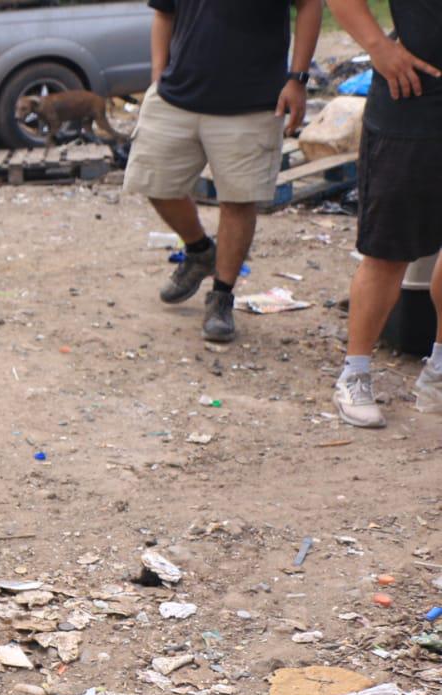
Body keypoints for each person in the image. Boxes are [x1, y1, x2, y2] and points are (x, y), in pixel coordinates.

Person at [124, 0, 322, 344]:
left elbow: (310, 6)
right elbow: (164, 13)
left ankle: (221, 297)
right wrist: (158, 76)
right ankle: (200, 251)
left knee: (238, 201)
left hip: (254, 101)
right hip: (177, 95)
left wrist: (298, 79)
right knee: (154, 182)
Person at [325, 0, 442, 428]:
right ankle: (354, 373)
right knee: (389, 249)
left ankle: (439, 374)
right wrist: (377, 46)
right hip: (412, 99)